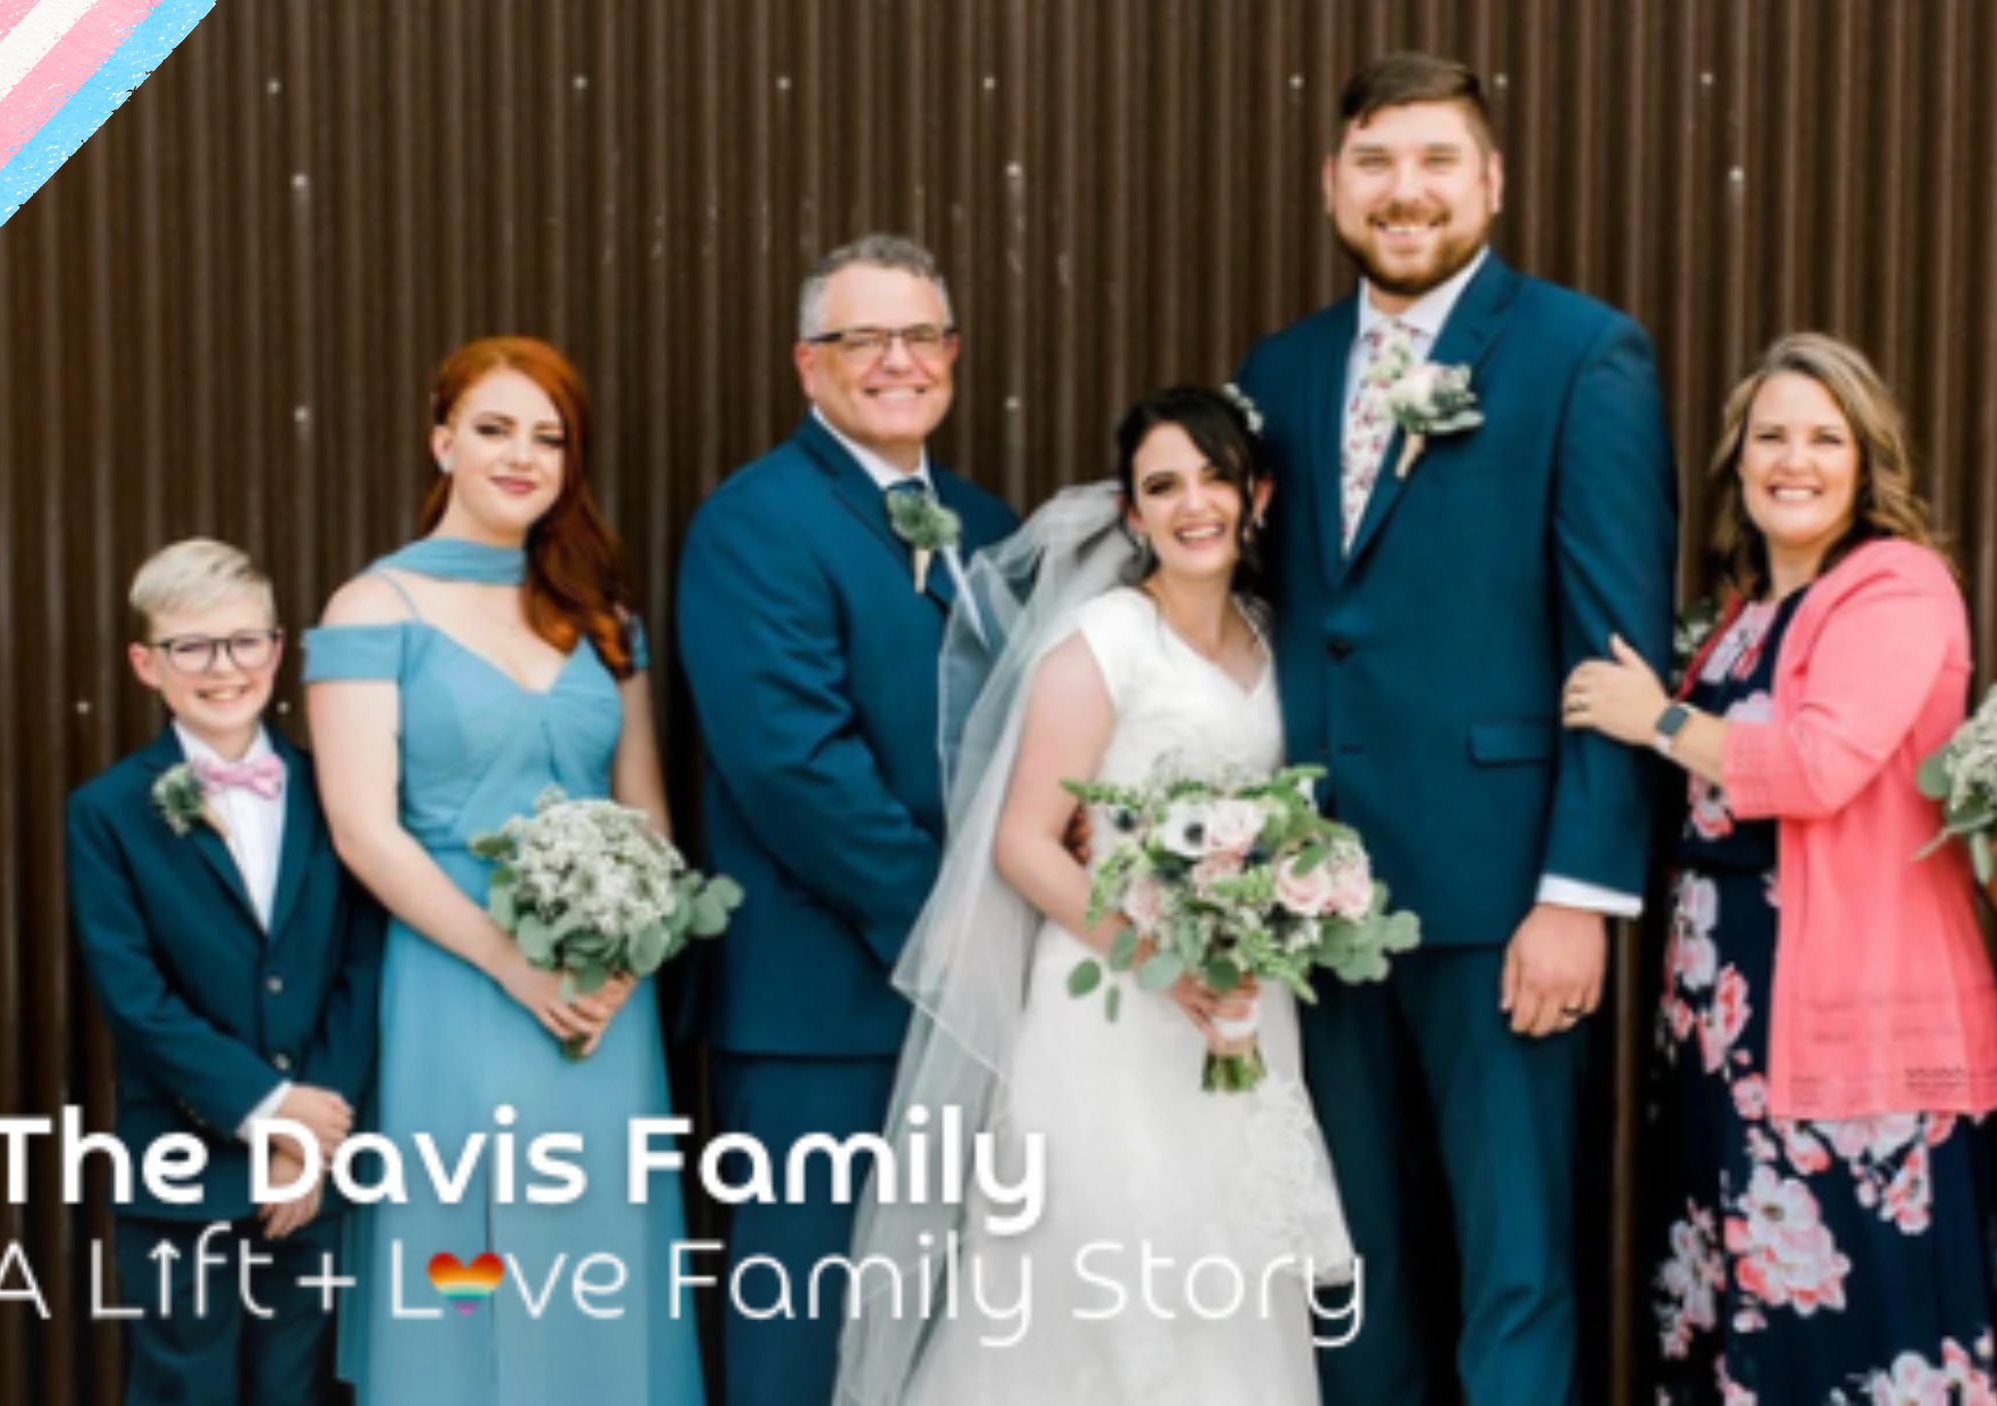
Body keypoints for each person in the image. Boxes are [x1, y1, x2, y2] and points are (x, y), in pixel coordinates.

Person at [1230, 52, 1677, 1404]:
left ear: (1490, 182)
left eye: (1435, 162)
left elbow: (1617, 642)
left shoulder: (1579, 351)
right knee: (1350, 1254)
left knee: (1514, 1257)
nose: (1403, 191)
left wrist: (1579, 893)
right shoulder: (1285, 367)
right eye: (1374, 162)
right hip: (1313, 897)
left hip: (1502, 895)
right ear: (1332, 185)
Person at [836, 385, 1353, 1406]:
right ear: (1131, 514)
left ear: (1258, 494)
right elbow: (1027, 844)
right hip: (1112, 1002)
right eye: (1162, 485)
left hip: (1241, 1007)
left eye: (1214, 476)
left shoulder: (1269, 636)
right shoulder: (1100, 640)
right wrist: (1159, 957)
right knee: (1102, 1281)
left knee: (1232, 1272)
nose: (1192, 502)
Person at [1561, 334, 1997, 1402]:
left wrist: (1658, 717)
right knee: (1737, 1326)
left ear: (1867, 462)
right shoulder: (1741, 612)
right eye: (1770, 434)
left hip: (1849, 1024)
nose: (1794, 459)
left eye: (1825, 437)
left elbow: (1817, 767)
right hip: (1728, 1029)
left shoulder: (1894, 587)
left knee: (1861, 1330)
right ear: (1737, 458)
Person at [306, 337, 703, 1404]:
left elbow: (648, 815)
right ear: (443, 440)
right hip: (452, 980)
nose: (522, 455)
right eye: (494, 428)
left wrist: (625, 960)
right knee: (469, 1265)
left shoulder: (603, 618)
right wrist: (509, 962)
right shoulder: (371, 608)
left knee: (595, 1260)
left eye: (549, 437)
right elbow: (362, 828)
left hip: (601, 1002)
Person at [676, 233, 1020, 1406]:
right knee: (805, 1318)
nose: (895, 361)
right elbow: (793, 766)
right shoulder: (754, 521)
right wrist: (954, 929)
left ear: (953, 355)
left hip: (979, 1007)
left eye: (919, 335)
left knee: (945, 1321)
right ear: (806, 365)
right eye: (860, 338)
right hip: (826, 1002)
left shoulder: (984, 521)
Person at [67, 537, 382, 1406]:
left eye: (244, 641)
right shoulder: (106, 812)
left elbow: (360, 971)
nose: (222, 667)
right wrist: (270, 1115)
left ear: (277, 651)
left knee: (298, 1386)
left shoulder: (337, 793)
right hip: (180, 1168)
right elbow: (134, 998)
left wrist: (313, 1140)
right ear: (146, 664)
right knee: (185, 1387)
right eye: (191, 647)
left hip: (317, 1167)